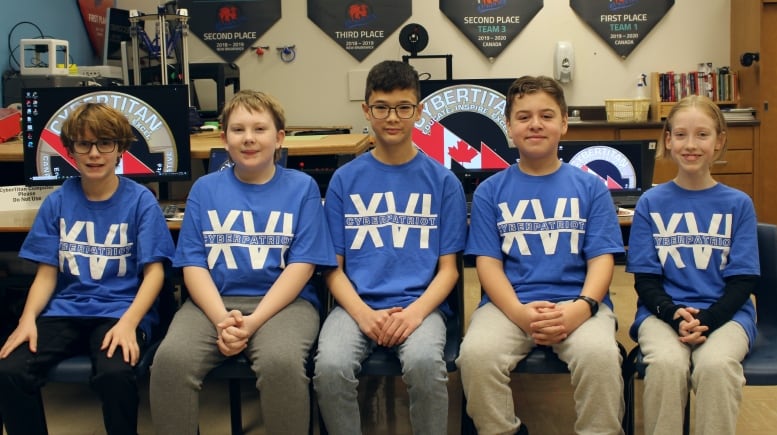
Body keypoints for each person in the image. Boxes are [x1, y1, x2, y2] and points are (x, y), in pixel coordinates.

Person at [149, 89, 336, 434]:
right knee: (170, 362)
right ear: (223, 139)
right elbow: (193, 264)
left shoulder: (302, 188)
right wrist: (222, 318)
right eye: (238, 130)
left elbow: (303, 266)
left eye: (260, 129)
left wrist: (251, 324)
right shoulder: (204, 190)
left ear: (279, 138)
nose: (249, 139)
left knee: (281, 364)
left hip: (284, 305)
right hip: (212, 304)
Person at [457, 75, 626, 435]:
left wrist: (581, 308)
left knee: (600, 357)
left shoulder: (592, 187)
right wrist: (519, 313)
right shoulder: (490, 191)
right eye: (523, 116)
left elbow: (601, 259)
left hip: (578, 305)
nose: (535, 124)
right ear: (509, 126)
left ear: (564, 123)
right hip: (508, 306)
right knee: (475, 356)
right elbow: (487, 264)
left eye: (547, 115)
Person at [0, 102, 175, 435]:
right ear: (71, 151)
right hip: (66, 310)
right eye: (84, 144)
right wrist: (26, 320)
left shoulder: (141, 202)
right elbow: (46, 274)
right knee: (10, 369)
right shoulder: (57, 202)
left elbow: (155, 274)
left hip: (119, 310)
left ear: (121, 148)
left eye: (105, 143)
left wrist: (130, 323)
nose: (95, 153)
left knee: (115, 374)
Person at [313, 60, 467, 435]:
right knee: (330, 367)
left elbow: (449, 269)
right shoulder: (344, 181)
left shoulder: (443, 182)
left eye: (403, 107)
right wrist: (365, 315)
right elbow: (332, 268)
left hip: (421, 307)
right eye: (381, 107)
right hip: (356, 305)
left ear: (419, 110)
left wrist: (413, 315)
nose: (392, 117)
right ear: (367, 110)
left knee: (425, 365)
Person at [627, 95, 759, 435]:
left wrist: (709, 319)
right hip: (662, 314)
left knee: (716, 367)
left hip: (726, 315)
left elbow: (743, 280)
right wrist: (673, 314)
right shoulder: (650, 203)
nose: (691, 145)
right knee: (667, 365)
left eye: (702, 134)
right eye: (681, 134)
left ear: (719, 141)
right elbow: (645, 279)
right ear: (668, 140)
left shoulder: (738, 204)